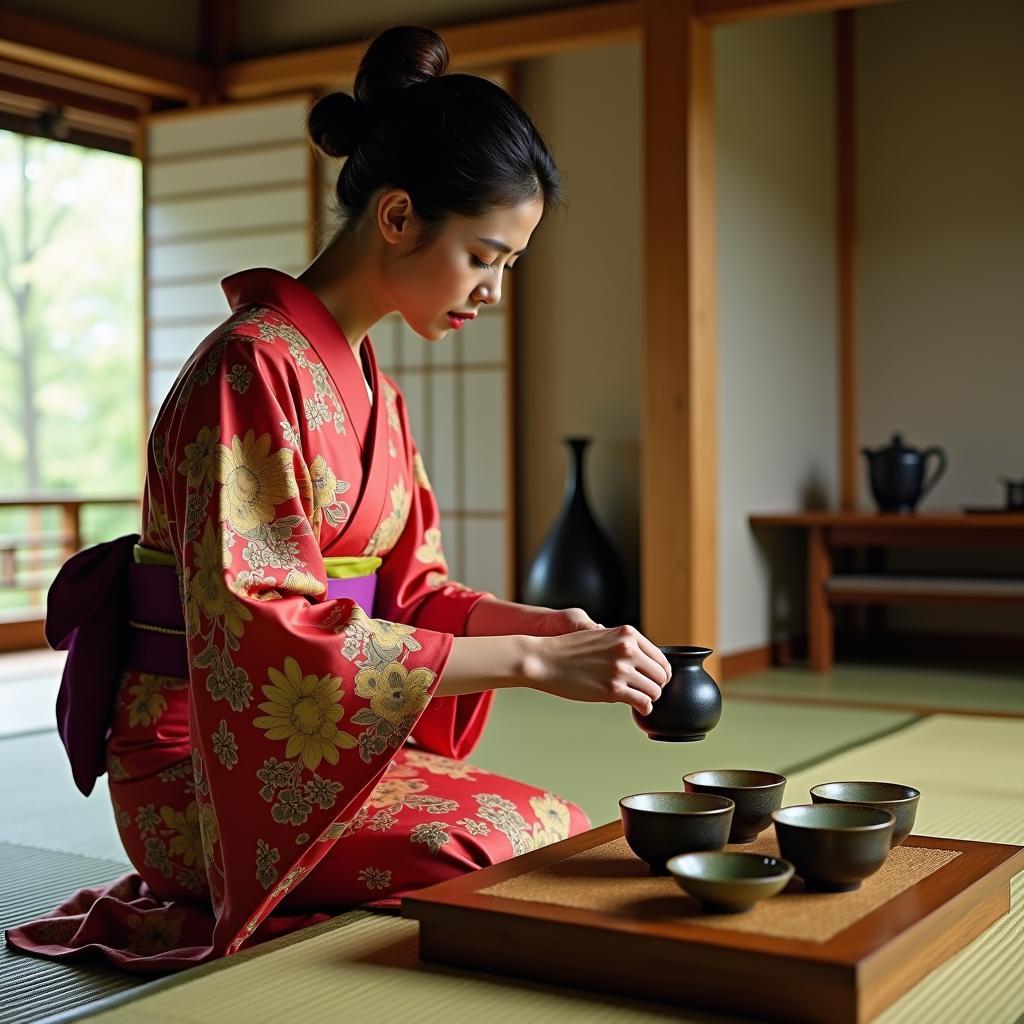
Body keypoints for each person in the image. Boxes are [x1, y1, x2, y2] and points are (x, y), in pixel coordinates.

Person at [7, 25, 670, 971]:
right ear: (397, 217)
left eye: (507, 268)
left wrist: (555, 629)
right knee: (503, 844)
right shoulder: (249, 369)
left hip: (301, 754)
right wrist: (524, 661)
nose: (492, 290)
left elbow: (410, 595)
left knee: (555, 835)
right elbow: (262, 628)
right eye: (485, 256)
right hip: (202, 770)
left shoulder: (377, 395)